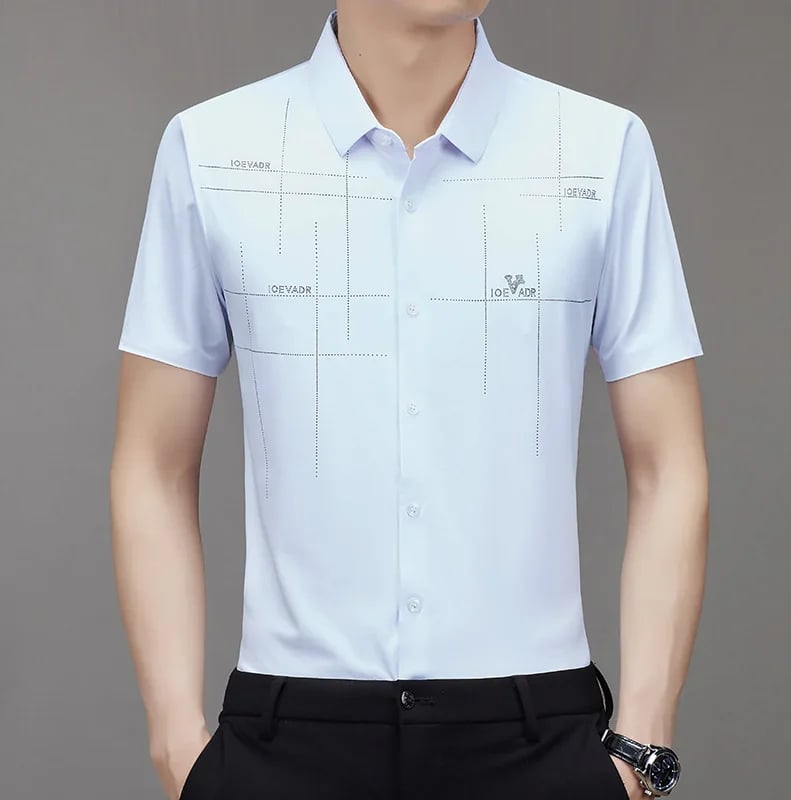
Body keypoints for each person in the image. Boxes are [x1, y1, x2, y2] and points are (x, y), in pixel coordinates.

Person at [110, 2, 709, 798]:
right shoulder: (212, 149)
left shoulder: (601, 150)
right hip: (288, 744)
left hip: (536, 743)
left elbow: (669, 465)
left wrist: (642, 747)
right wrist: (178, 746)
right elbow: (152, 465)